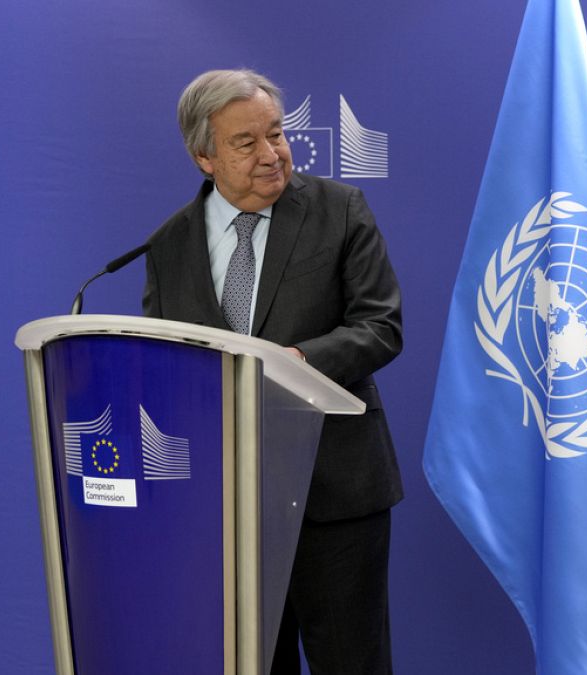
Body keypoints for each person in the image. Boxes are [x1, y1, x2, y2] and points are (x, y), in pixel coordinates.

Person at [143, 69, 403, 674]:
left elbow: (380, 325)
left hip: (333, 494)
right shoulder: (167, 246)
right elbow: (162, 363)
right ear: (204, 156)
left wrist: (298, 364)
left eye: (277, 135)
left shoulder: (339, 211)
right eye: (246, 143)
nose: (271, 155)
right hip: (225, 505)